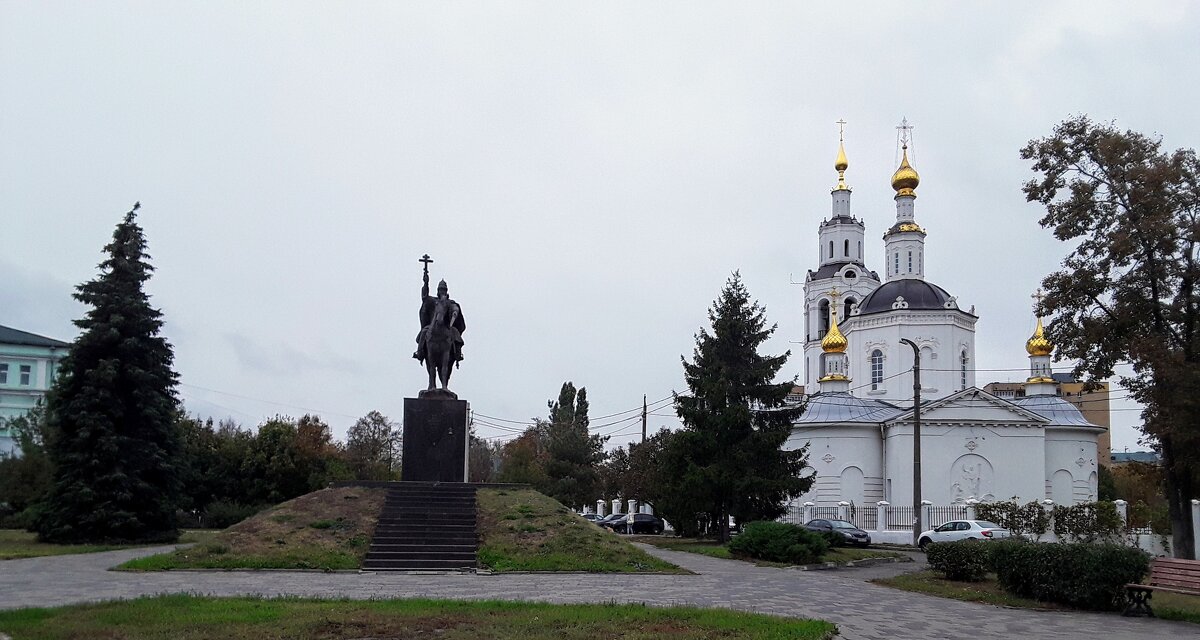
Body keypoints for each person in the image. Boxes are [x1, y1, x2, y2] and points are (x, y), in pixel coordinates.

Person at [414, 279, 466, 364]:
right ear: (438, 290)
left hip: (447, 327)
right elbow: (424, 297)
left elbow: (454, 307)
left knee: (456, 333)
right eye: (441, 289)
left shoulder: (449, 302)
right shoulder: (433, 301)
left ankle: (458, 353)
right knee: (423, 332)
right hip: (432, 325)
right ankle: (420, 352)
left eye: (444, 290)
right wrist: (426, 283)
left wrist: (455, 311)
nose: (442, 291)